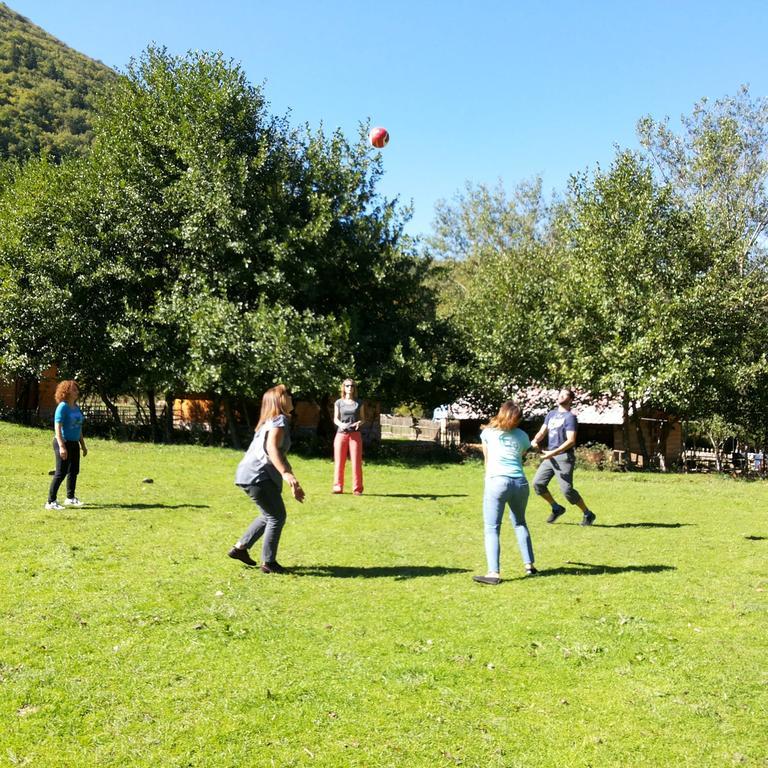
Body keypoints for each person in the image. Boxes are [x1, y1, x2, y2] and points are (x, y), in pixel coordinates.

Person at [228, 384, 305, 573]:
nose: (291, 397)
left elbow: (277, 452)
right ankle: (269, 563)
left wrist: (290, 475)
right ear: (279, 399)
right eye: (287, 394)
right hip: (257, 475)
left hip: (248, 474)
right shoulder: (279, 420)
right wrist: (287, 475)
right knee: (276, 516)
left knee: (268, 515)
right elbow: (272, 449)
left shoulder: (270, 421)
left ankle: (240, 548)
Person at [473, 400, 537, 585]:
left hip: (497, 481)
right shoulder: (523, 436)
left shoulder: (487, 433)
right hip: (520, 483)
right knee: (520, 523)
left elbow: (487, 460)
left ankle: (493, 573)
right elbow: (520, 455)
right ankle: (529, 566)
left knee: (492, 528)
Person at [531, 388, 596, 526]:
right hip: (550, 457)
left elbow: (571, 440)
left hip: (564, 457)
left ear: (570, 399)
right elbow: (542, 432)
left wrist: (553, 453)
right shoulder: (551, 414)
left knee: (567, 490)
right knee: (538, 484)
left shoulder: (570, 417)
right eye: (559, 393)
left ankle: (588, 514)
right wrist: (536, 439)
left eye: (564, 394)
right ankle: (556, 508)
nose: (560, 395)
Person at [46, 380, 87, 510]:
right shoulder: (62, 407)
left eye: (77, 389)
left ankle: (70, 498)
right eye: (74, 390)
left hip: (74, 443)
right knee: (61, 472)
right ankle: (50, 502)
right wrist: (62, 446)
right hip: (63, 442)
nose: (77, 392)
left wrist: (83, 445)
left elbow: (78, 428)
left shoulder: (76, 407)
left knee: (74, 471)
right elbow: (57, 427)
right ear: (66, 391)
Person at [332, 378, 364, 495]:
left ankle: (357, 489)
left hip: (355, 435)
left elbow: (363, 418)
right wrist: (341, 424)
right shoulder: (338, 403)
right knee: (339, 462)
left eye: (351, 386)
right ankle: (337, 487)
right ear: (343, 388)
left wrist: (359, 423)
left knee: (356, 462)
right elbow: (335, 418)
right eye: (347, 386)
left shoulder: (359, 403)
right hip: (341, 434)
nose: (349, 388)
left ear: (354, 388)